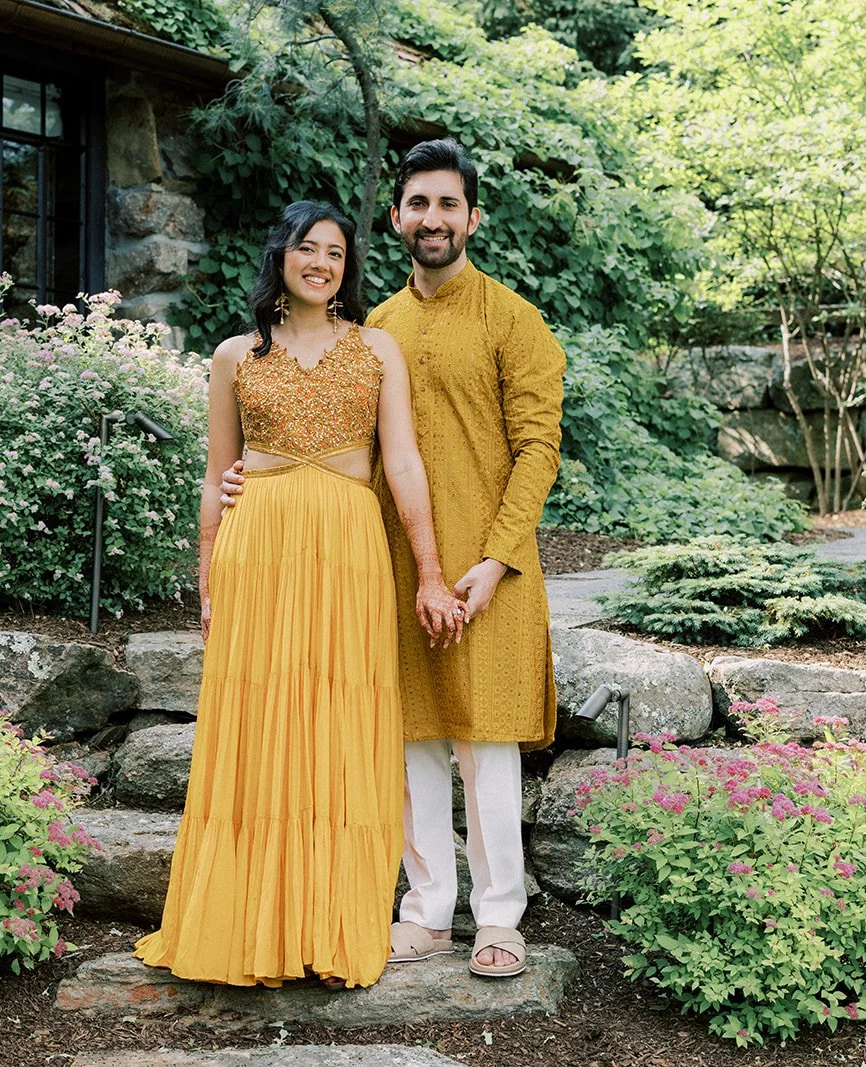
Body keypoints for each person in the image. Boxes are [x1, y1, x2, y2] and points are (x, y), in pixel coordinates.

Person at [221, 141, 566, 978]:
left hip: (490, 571)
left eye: (449, 204)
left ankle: (499, 920)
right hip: (395, 566)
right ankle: (426, 910)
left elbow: (539, 448)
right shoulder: (375, 328)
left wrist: (494, 560)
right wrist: (253, 472)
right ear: (398, 217)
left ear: (473, 217)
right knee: (407, 739)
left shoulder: (514, 319)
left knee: (483, 743)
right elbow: (336, 433)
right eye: (418, 204)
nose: (433, 219)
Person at [134, 200, 465, 990]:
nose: (321, 263)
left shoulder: (377, 348)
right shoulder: (233, 356)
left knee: (340, 725)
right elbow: (217, 478)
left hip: (349, 549)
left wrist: (428, 570)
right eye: (307, 248)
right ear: (280, 254)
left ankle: (327, 923)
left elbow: (405, 463)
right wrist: (207, 581)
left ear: (348, 268)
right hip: (261, 551)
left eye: (336, 253)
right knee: (259, 730)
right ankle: (251, 926)